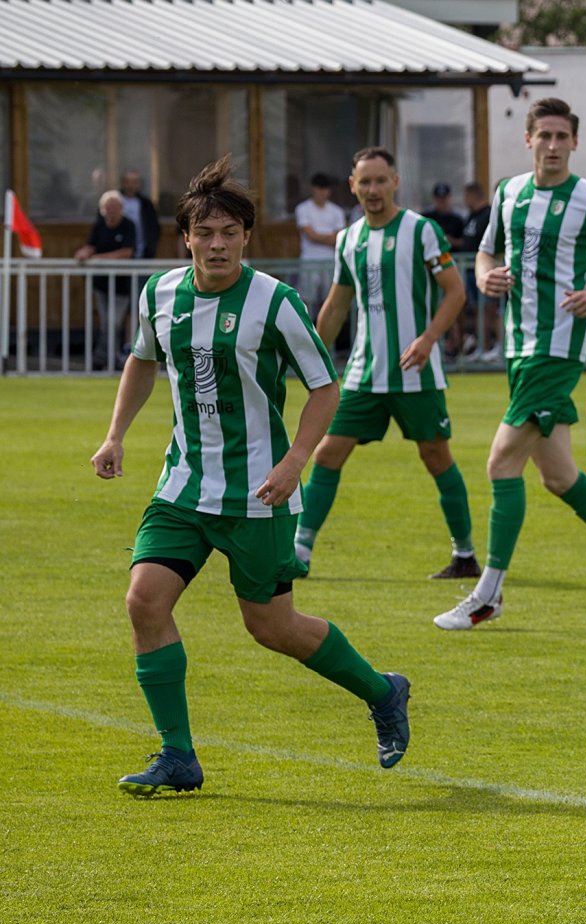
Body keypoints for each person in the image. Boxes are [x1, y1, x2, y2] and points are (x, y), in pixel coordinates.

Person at [90, 157, 411, 797]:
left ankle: (382, 691)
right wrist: (115, 433)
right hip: (183, 488)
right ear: (186, 237)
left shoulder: (276, 302)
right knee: (143, 600)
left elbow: (325, 386)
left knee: (271, 628)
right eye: (205, 233)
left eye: (230, 233)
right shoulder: (160, 295)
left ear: (246, 237)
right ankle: (177, 755)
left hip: (259, 493)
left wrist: (295, 462)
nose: (217, 244)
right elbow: (142, 361)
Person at [434, 97, 586, 631]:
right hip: (519, 348)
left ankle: (489, 594)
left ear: (575, 143)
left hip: (557, 347)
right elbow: (487, 252)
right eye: (545, 135)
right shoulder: (509, 192)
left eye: (563, 137)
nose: (554, 145)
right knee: (559, 477)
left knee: (500, 464)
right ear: (529, 139)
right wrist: (485, 275)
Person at [293, 146, 475, 581]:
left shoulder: (421, 230)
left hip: (415, 372)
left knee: (436, 456)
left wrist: (428, 339)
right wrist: (312, 358)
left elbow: (455, 292)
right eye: (365, 182)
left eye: (380, 180)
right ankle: (299, 553)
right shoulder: (348, 238)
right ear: (352, 186)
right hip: (364, 373)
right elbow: (337, 304)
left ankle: (465, 555)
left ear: (396, 182)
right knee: (328, 454)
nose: (373, 190)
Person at [75, 190, 138, 369]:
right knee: (106, 324)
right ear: (102, 209)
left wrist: (99, 259)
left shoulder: (128, 225)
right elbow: (91, 246)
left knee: (113, 323)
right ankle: (109, 358)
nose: (111, 211)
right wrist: (83, 254)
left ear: (121, 208)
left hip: (122, 285)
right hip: (102, 284)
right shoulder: (99, 225)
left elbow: (127, 252)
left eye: (115, 207)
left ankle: (105, 358)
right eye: (108, 207)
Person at [458, 181, 501, 361]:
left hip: (486, 270)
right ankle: (482, 347)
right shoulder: (471, 216)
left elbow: (490, 247)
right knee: (477, 309)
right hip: (471, 270)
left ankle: (497, 346)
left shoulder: (488, 215)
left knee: (490, 309)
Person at [294, 173, 347, 313]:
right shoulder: (303, 209)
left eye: (325, 188)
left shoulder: (337, 211)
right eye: (320, 188)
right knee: (306, 300)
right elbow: (310, 235)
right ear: (313, 189)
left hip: (331, 261)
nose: (322, 192)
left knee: (330, 299)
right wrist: (330, 237)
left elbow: (339, 238)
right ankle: (307, 325)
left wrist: (319, 236)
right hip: (309, 261)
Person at [118, 169, 161, 259]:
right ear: (122, 183)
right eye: (127, 182)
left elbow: (154, 228)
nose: (130, 185)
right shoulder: (115, 201)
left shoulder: (146, 204)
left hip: (142, 253)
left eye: (134, 182)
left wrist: (151, 248)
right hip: (119, 253)